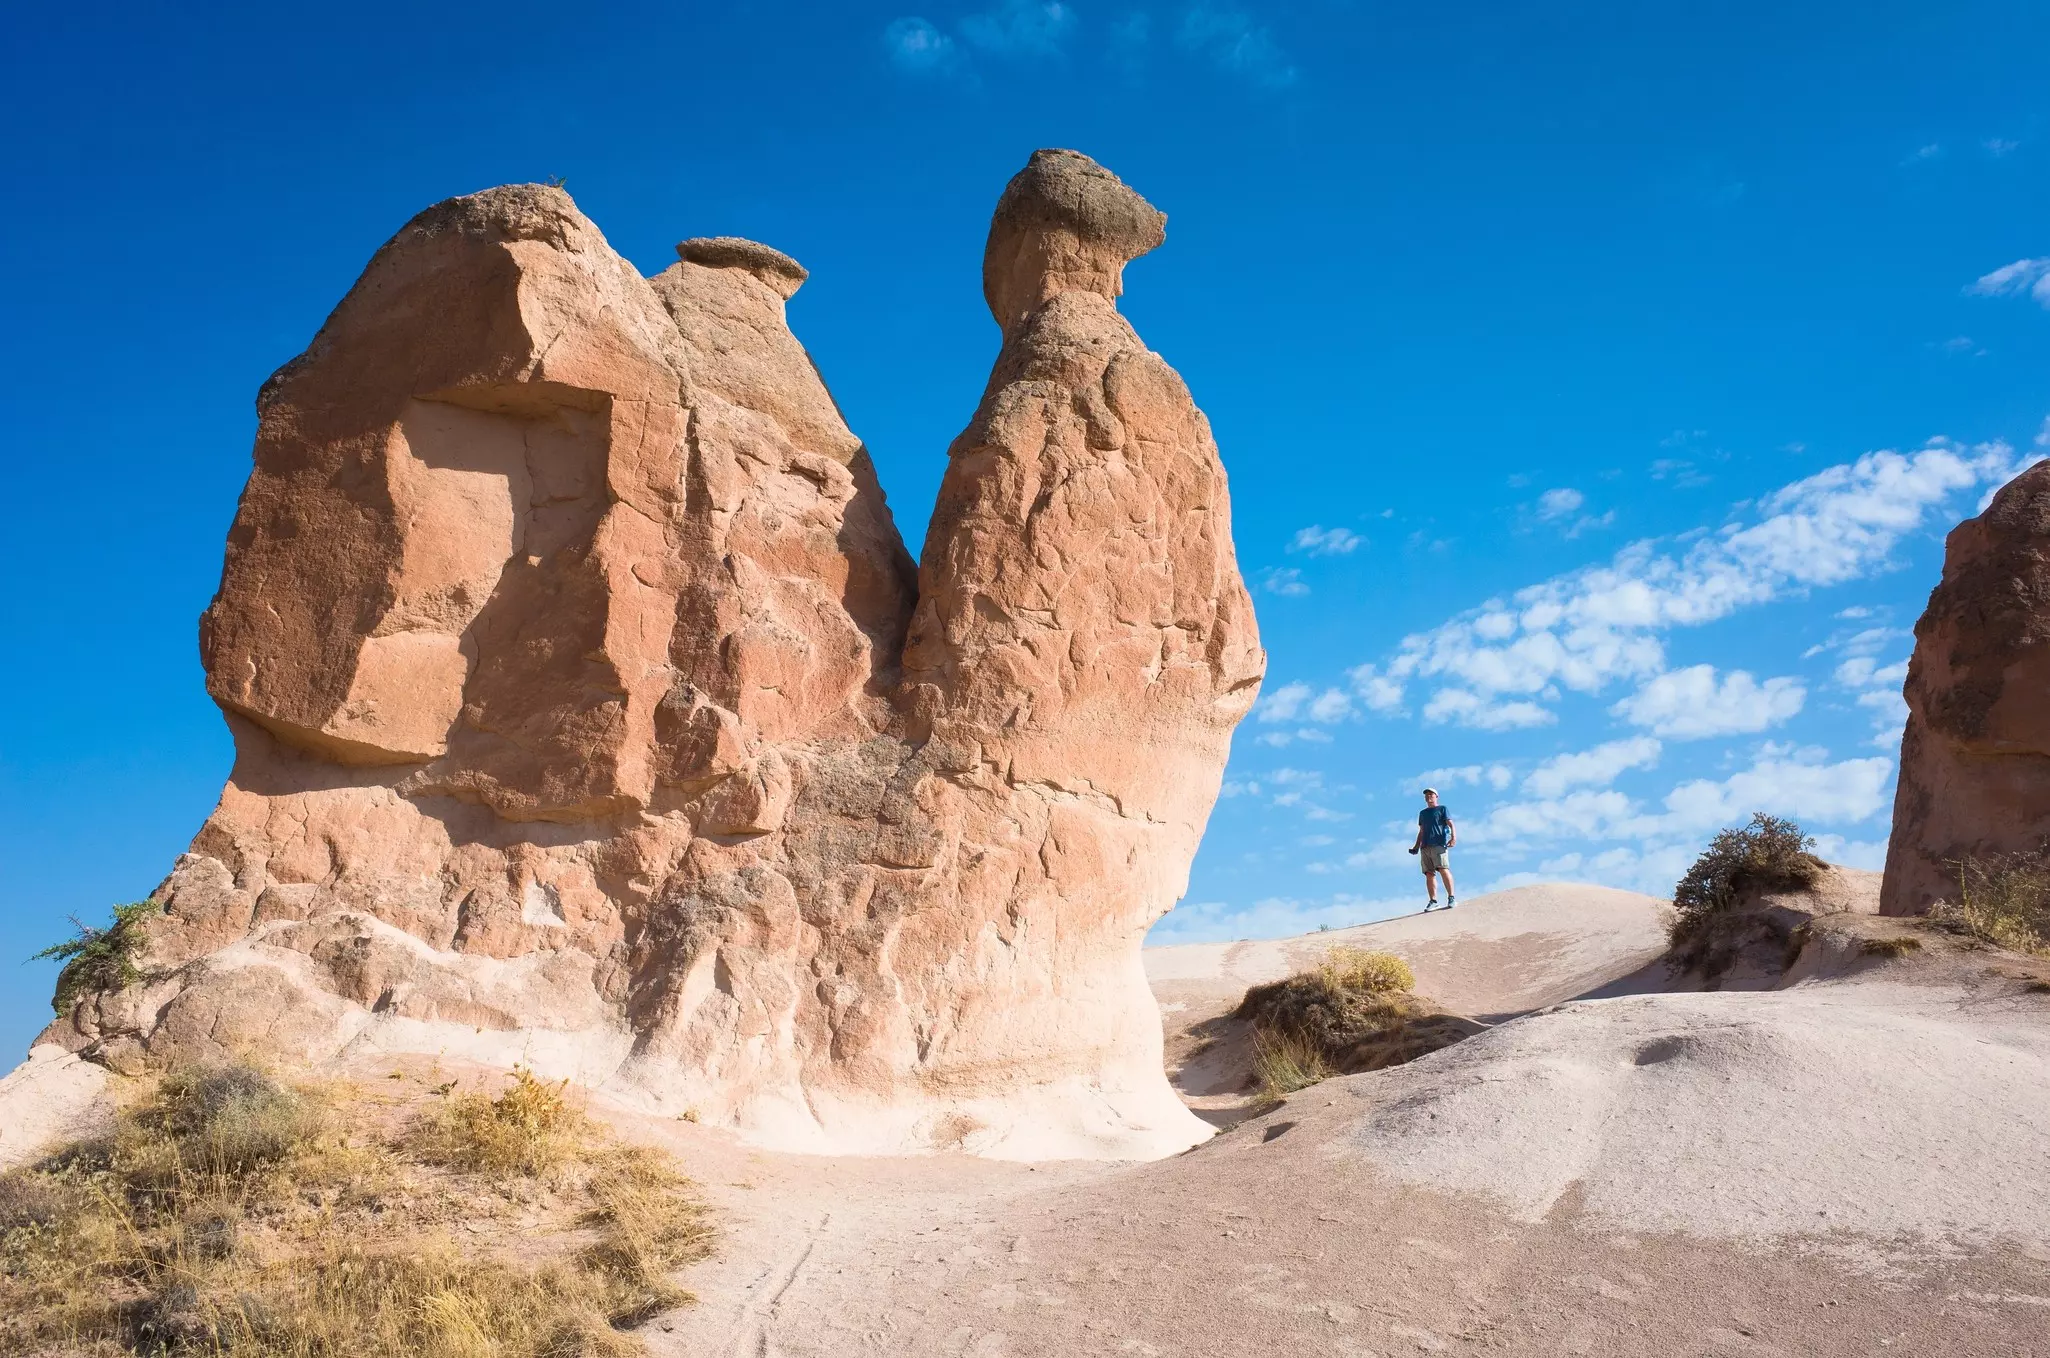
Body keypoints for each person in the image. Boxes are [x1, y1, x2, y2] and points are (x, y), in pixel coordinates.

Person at [1408, 787, 1456, 911]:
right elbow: (1422, 831)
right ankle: (1433, 901)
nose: (1429, 796)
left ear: (1436, 796)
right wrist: (1416, 846)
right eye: (1427, 795)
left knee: (1443, 869)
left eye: (1431, 794)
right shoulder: (1423, 813)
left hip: (1438, 844)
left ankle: (1451, 897)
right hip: (1425, 846)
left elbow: (1451, 824)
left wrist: (1453, 838)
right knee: (1429, 873)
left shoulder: (1442, 809)